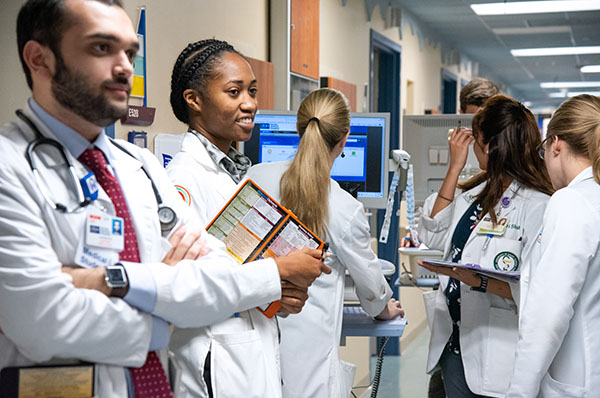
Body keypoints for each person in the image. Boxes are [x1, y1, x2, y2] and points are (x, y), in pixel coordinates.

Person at [0, 1, 329, 397]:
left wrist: (111, 280)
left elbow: (210, 275)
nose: (125, 67)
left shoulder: (141, 168)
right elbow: (43, 322)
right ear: (40, 59)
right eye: (102, 48)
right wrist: (168, 316)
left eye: (130, 52)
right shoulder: (9, 168)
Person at [165, 39, 308, 397]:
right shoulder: (182, 182)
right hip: (216, 357)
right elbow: (190, 288)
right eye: (234, 92)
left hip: (248, 348)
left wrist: (279, 295)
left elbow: (241, 265)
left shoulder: (232, 173)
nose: (250, 104)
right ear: (193, 100)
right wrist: (279, 274)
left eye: (252, 91)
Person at [246, 88, 404, 398]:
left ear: (298, 128)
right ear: (345, 138)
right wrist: (383, 307)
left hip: (252, 340)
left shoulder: (255, 177)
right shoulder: (344, 208)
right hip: (308, 358)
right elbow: (371, 288)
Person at [417, 95, 554, 397]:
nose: (473, 147)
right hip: (454, 347)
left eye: (476, 140)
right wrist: (455, 167)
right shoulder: (475, 193)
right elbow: (433, 234)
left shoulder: (538, 206)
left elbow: (538, 291)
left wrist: (478, 281)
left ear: (491, 145)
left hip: (496, 351)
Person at [507, 94, 600, 397]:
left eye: (543, 148)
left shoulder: (571, 202)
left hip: (576, 383)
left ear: (556, 144)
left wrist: (519, 392)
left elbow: (548, 314)